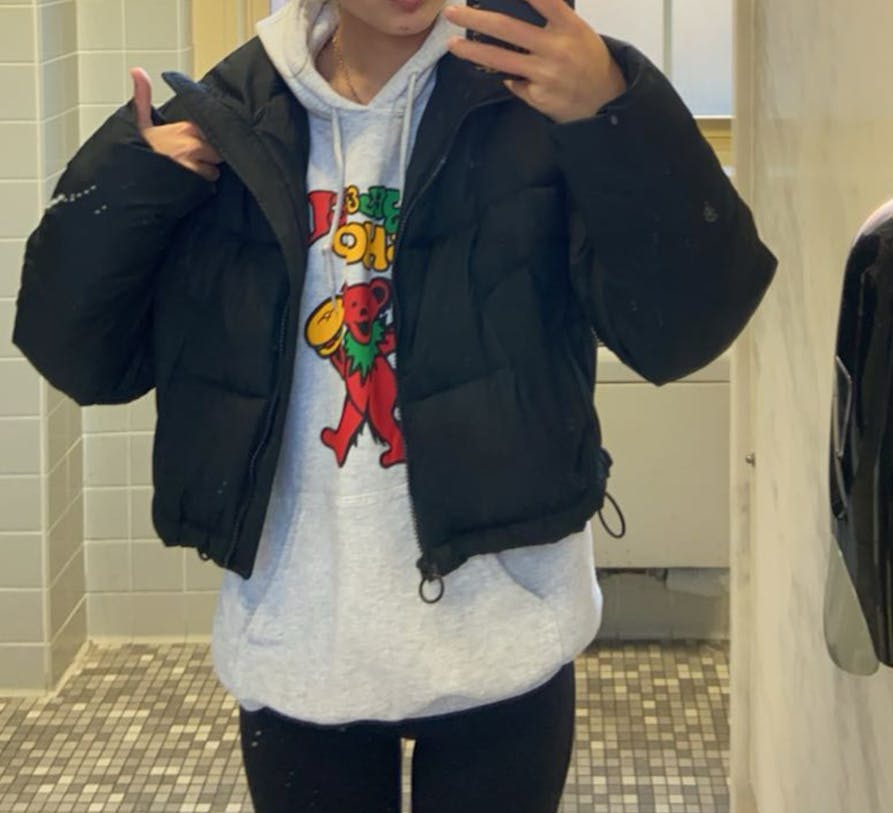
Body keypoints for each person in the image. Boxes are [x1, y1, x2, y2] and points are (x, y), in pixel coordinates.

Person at [11, 0, 777, 810]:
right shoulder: (228, 120)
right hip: (299, 638)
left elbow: (680, 332)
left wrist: (616, 113)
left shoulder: (536, 93)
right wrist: (134, 180)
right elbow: (84, 360)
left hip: (503, 635)